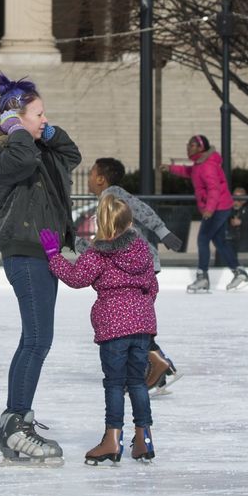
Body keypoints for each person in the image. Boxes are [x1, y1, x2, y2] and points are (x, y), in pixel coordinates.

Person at [0, 72, 81, 463]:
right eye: (38, 114)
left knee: (36, 339)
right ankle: (14, 423)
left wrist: (46, 131)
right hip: (24, 251)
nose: (44, 120)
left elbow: (72, 155)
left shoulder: (42, 149)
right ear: (14, 120)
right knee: (37, 339)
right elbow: (20, 159)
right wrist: (17, 128)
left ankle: (17, 419)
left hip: (46, 252)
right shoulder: (3, 154)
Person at [39, 192, 159, 466]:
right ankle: (145, 438)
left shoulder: (99, 252)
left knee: (115, 384)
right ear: (129, 223)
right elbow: (152, 286)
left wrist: (53, 256)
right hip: (142, 325)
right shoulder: (142, 250)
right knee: (138, 383)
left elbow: (76, 278)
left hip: (114, 328)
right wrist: (139, 309)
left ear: (103, 225)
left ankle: (112, 439)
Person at [82, 157, 186, 392]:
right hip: (136, 264)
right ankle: (159, 371)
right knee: (135, 319)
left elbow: (140, 209)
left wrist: (163, 231)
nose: (88, 178)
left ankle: (161, 366)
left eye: (90, 173)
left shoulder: (112, 194)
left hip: (137, 264)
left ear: (100, 178)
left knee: (134, 320)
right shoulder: (105, 199)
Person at [170, 134, 248, 293]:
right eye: (188, 144)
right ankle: (239, 272)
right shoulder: (200, 164)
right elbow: (189, 171)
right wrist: (170, 168)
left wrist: (209, 209)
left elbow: (214, 189)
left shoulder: (207, 166)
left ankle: (202, 277)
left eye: (192, 145)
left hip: (217, 208)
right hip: (218, 207)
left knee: (203, 239)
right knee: (219, 241)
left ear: (201, 148)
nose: (188, 147)